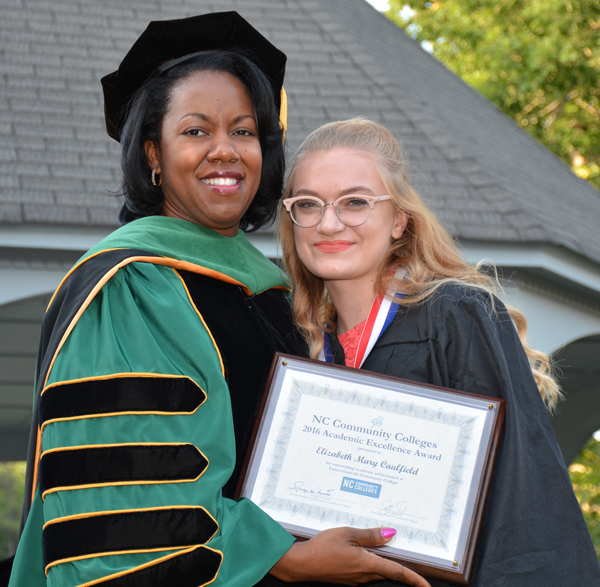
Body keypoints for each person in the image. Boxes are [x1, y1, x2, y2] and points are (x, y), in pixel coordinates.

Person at [9, 14, 429, 587]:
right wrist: (284, 557)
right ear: (153, 154)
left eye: (244, 131)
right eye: (196, 131)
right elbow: (125, 507)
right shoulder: (131, 286)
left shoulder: (280, 292)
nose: (225, 151)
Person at [279, 118, 600, 586]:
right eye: (308, 204)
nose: (329, 222)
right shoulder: (300, 347)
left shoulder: (456, 316)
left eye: (355, 202)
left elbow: (522, 511)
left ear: (399, 220)